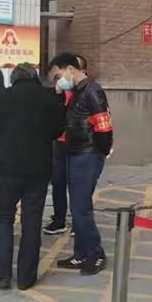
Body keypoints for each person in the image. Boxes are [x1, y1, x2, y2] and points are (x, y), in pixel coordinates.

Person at [0, 64, 64, 290]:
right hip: (38, 169)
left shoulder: (5, 96)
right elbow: (58, 130)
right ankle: (26, 278)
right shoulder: (47, 96)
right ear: (35, 77)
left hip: (9, 168)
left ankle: (1, 274)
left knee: (3, 219)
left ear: (14, 78)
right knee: (32, 222)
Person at [50, 53, 112, 276]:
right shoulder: (76, 92)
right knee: (77, 208)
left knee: (80, 208)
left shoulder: (92, 90)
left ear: (69, 69)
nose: (58, 81)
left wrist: (101, 151)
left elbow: (104, 125)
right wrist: (58, 97)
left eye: (58, 75)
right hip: (75, 153)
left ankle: (96, 254)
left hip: (88, 154)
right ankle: (81, 254)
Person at [45, 54, 87, 236]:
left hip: (77, 144)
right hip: (59, 142)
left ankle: (79, 222)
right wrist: (57, 95)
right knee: (58, 182)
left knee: (77, 184)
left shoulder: (85, 91)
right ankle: (59, 220)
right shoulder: (61, 90)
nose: (61, 78)